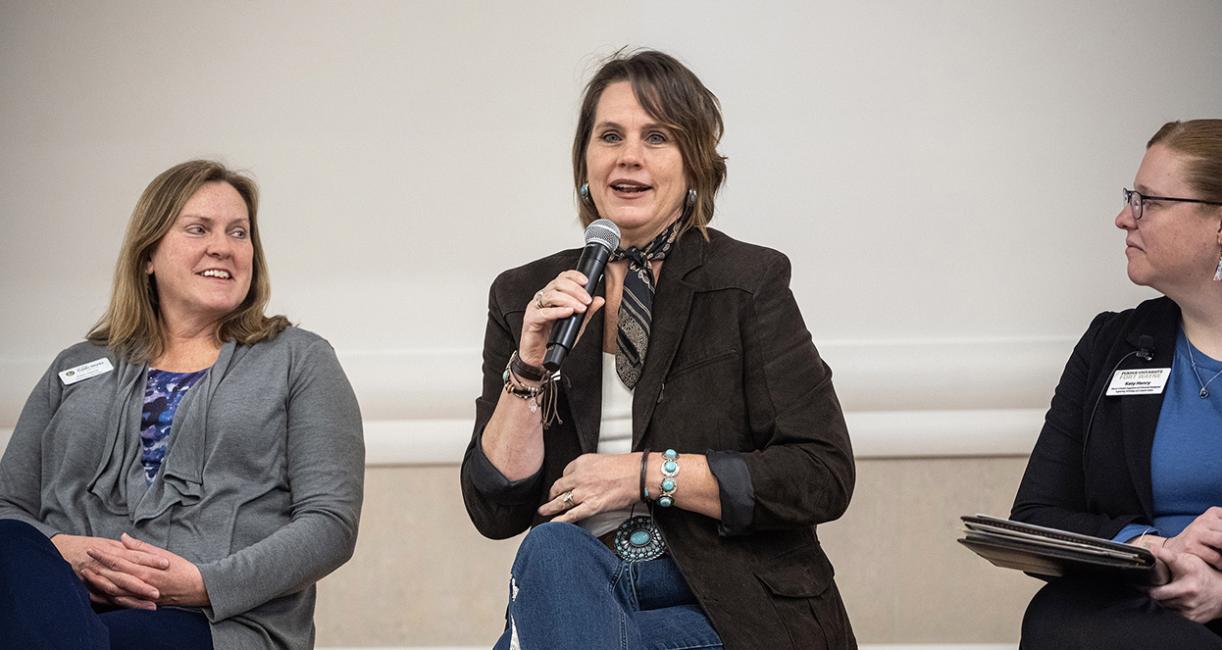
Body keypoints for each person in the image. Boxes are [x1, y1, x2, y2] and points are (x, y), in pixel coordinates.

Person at [460, 49, 856, 650]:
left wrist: (646, 474)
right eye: (611, 135)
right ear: (584, 162)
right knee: (551, 549)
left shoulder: (748, 283)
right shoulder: (524, 297)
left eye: (658, 137)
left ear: (694, 164)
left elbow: (821, 474)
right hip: (583, 584)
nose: (630, 157)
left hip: (723, 599)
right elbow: (496, 509)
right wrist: (530, 364)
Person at [0, 160, 365, 649]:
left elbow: (329, 525)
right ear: (148, 253)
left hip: (215, 624)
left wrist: (203, 585)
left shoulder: (300, 360)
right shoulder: (75, 365)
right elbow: (9, 506)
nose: (223, 246)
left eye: (239, 232)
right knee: (11, 545)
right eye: (198, 229)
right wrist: (66, 552)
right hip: (65, 601)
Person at [1011, 119, 1222, 648]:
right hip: (1132, 599)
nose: (1124, 218)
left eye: (1148, 201)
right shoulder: (1112, 344)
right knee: (1062, 622)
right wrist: (1152, 548)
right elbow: (1038, 513)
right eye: (1132, 198)